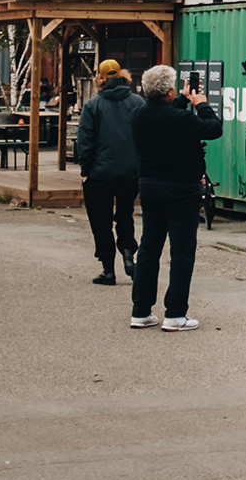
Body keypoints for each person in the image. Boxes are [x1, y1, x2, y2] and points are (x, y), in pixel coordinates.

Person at [130, 64, 221, 333]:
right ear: (169, 90)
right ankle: (175, 314)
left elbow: (165, 116)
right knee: (181, 252)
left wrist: (181, 99)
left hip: (150, 187)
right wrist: (201, 103)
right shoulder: (181, 120)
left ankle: (141, 311)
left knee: (149, 248)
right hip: (182, 190)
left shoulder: (138, 116)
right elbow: (213, 128)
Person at [77, 60, 143, 286]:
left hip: (99, 174)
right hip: (129, 172)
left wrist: (85, 170)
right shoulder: (137, 102)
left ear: (101, 78)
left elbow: (85, 141)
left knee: (100, 220)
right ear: (122, 75)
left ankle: (107, 269)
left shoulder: (92, 105)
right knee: (125, 215)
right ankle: (128, 254)